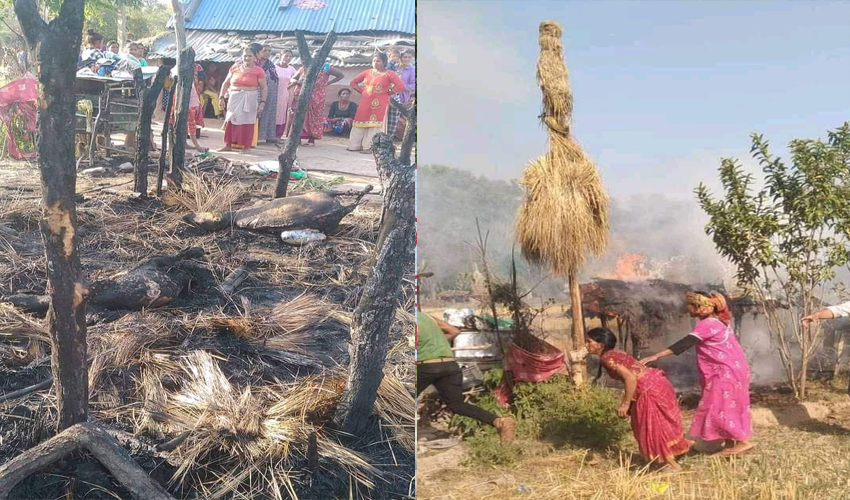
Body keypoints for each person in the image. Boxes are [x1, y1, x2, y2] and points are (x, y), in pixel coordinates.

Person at [641, 292, 754, 457]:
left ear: (700, 308)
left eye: (690, 305)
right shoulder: (720, 322)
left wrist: (656, 355)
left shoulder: (707, 324)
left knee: (715, 405)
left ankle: (743, 442)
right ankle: (730, 445)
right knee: (727, 405)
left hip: (724, 372)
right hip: (734, 370)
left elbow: (685, 343)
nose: (687, 308)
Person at [585, 327, 692, 471]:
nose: (586, 345)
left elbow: (630, 378)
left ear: (600, 344)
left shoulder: (607, 357)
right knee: (661, 424)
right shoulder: (617, 352)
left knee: (652, 428)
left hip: (648, 390)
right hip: (658, 383)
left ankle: (672, 466)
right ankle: (684, 448)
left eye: (589, 342)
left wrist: (625, 404)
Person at [417, 309, 516, 445]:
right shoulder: (428, 317)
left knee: (400, 400)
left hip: (427, 366)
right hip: (450, 366)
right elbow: (454, 331)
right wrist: (432, 346)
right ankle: (499, 421)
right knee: (458, 405)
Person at [347, 52, 405, 153]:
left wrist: (389, 92)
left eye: (378, 61)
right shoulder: (367, 72)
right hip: (365, 103)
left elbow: (400, 86)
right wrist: (362, 92)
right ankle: (354, 146)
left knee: (375, 126)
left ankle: (371, 148)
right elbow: (353, 82)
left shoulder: (389, 74)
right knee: (359, 123)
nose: (375, 63)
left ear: (384, 62)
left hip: (380, 104)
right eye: (374, 61)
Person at [218, 46, 268, 154]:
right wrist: (221, 97)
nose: (247, 58)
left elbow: (264, 87)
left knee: (248, 122)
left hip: (249, 98)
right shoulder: (235, 67)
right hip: (234, 98)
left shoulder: (259, 71)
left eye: (250, 56)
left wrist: (262, 103)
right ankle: (228, 144)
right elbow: (226, 83)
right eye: (245, 56)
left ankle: (246, 147)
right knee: (230, 120)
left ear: (255, 58)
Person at [288, 61, 344, 145]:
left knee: (315, 117)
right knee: (299, 115)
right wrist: (297, 82)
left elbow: (340, 75)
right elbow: (293, 78)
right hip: (302, 94)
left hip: (317, 96)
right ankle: (297, 138)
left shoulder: (326, 68)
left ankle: (311, 139)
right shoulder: (304, 67)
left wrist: (328, 83)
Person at [252, 43, 281, 144]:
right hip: (256, 90)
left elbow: (274, 79)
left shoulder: (271, 64)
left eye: (269, 51)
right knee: (255, 112)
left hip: (270, 92)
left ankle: (267, 135)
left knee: (268, 112)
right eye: (265, 50)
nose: (267, 53)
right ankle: (253, 137)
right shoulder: (254, 64)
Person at [385, 50, 415, 140]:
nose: (407, 59)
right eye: (405, 57)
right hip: (388, 94)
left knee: (394, 119)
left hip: (400, 97)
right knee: (385, 118)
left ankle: (389, 139)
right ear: (400, 58)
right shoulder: (393, 67)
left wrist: (400, 85)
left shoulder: (412, 69)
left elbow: (413, 85)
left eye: (409, 57)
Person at [274, 50, 297, 139]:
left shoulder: (291, 69)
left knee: (282, 114)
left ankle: (278, 135)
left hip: (285, 95)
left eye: (290, 56)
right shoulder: (274, 67)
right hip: (274, 94)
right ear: (280, 56)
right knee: (273, 113)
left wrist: (291, 85)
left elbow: (298, 80)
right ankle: (269, 135)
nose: (288, 58)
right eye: (286, 56)